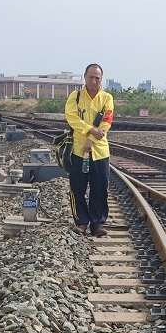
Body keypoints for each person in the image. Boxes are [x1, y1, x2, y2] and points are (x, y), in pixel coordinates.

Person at [65, 63, 115, 236]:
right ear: (85, 77)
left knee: (100, 187)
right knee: (77, 187)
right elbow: (72, 118)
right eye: (91, 77)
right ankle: (81, 222)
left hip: (100, 151)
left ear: (101, 79)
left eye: (97, 78)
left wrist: (91, 140)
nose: (94, 81)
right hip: (78, 150)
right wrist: (90, 130)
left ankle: (97, 224)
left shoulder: (107, 98)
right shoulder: (76, 96)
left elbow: (107, 122)